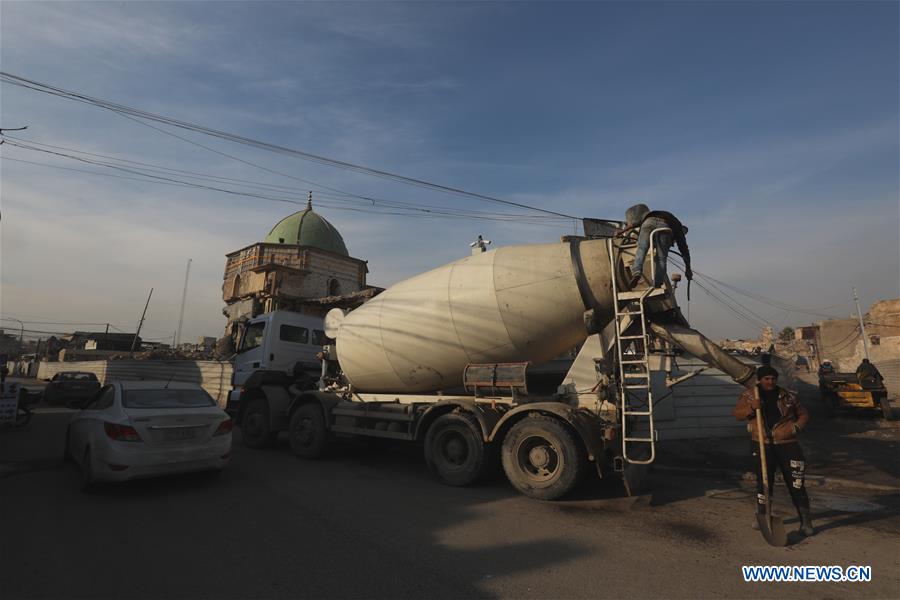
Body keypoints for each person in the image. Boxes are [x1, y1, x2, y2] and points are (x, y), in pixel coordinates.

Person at [733, 365, 814, 537]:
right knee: (764, 482)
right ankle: (763, 516)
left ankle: (806, 522)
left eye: (773, 379)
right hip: (761, 444)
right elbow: (737, 414)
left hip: (788, 444)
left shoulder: (787, 396)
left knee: (796, 483)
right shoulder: (749, 395)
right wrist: (751, 408)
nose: (770, 382)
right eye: (766, 379)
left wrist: (795, 428)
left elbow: (804, 414)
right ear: (760, 380)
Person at [621, 204, 692, 288]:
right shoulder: (678, 230)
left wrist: (621, 231)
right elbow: (684, 251)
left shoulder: (658, 214)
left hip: (648, 222)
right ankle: (657, 283)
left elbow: (635, 223)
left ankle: (636, 272)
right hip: (665, 227)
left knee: (641, 249)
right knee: (661, 259)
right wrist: (688, 269)